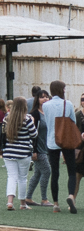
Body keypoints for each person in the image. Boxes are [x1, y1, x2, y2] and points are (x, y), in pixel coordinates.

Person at [43, 80, 80, 214]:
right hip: (66, 139)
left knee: (55, 172)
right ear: (61, 90)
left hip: (52, 141)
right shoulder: (68, 103)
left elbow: (47, 122)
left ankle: (56, 204)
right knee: (71, 170)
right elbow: (73, 122)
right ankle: (71, 195)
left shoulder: (46, 105)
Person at [2, 96, 37, 211]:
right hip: (23, 152)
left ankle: (10, 202)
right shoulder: (27, 119)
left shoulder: (7, 118)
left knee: (11, 177)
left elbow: (3, 134)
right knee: (22, 178)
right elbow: (34, 134)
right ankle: (22, 204)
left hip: (8, 152)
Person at [26, 88, 52, 207]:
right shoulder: (35, 114)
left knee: (37, 173)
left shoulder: (49, 112)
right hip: (38, 148)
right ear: (37, 99)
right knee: (46, 171)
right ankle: (44, 199)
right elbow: (32, 133)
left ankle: (28, 197)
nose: (45, 99)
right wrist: (34, 150)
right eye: (42, 97)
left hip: (47, 148)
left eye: (46, 96)